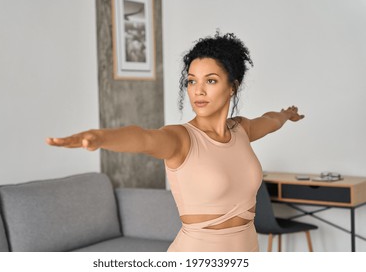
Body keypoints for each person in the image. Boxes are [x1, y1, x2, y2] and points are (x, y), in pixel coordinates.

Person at [46, 32, 304, 252]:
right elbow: (143, 138)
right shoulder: (181, 139)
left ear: (232, 87)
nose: (198, 91)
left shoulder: (242, 130)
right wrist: (101, 137)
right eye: (191, 81)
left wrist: (286, 114)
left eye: (210, 81)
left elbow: (270, 120)